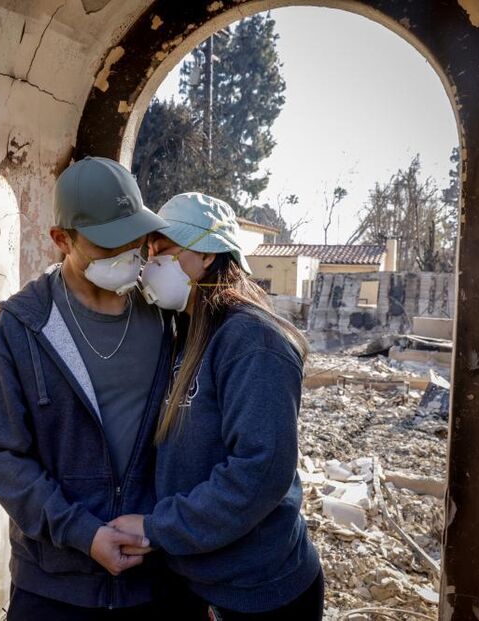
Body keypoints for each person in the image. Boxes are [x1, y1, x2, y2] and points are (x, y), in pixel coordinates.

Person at [0, 157, 177, 619]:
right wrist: (83, 533)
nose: (129, 254)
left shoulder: (167, 318)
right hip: (54, 588)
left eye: (135, 238)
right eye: (109, 245)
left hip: (157, 584)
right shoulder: (21, 327)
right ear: (62, 240)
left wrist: (166, 528)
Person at [110, 192, 325, 620]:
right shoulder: (186, 332)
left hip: (256, 590)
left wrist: (158, 527)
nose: (151, 263)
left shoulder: (252, 341)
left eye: (164, 249)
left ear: (208, 255)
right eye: (148, 251)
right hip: (198, 576)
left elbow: (260, 472)